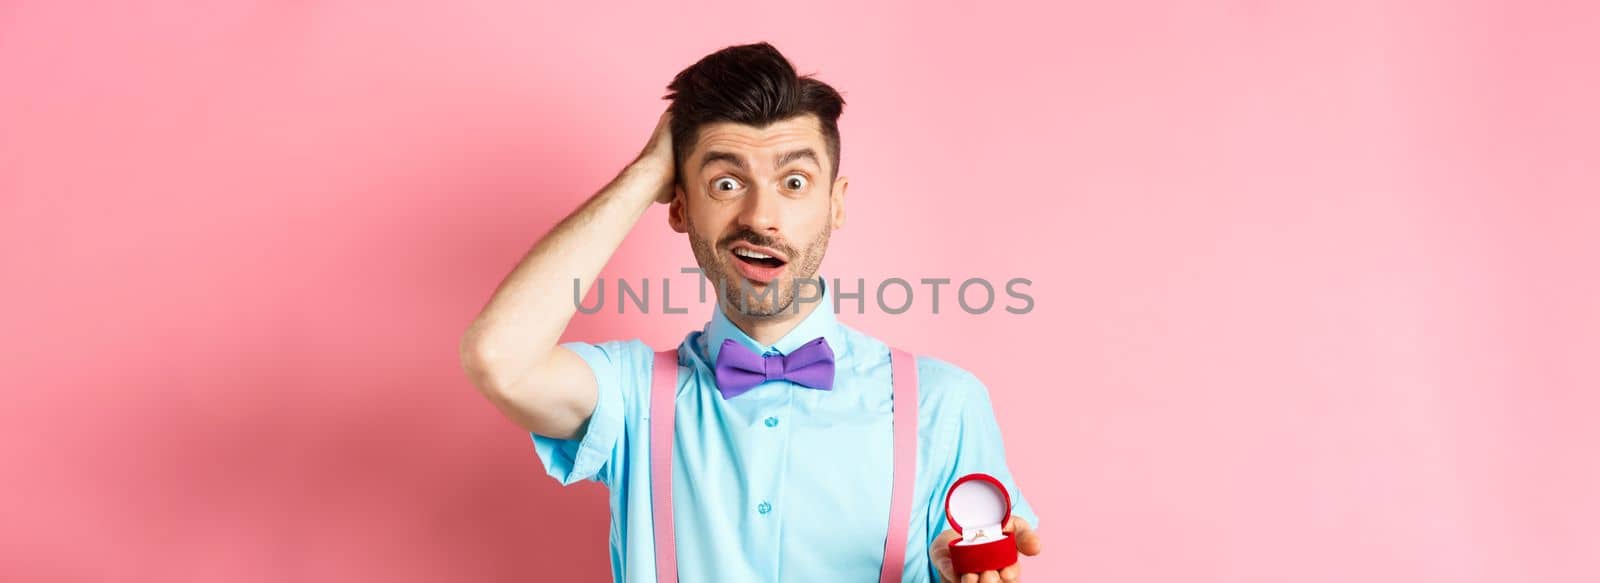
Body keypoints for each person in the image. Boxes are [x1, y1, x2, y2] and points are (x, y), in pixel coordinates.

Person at [460, 41, 1043, 582]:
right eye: (726, 184)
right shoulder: (631, 395)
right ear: (679, 207)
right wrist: (642, 175)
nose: (761, 216)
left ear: (835, 204)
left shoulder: (945, 403)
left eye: (794, 181)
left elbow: (982, 554)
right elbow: (498, 359)